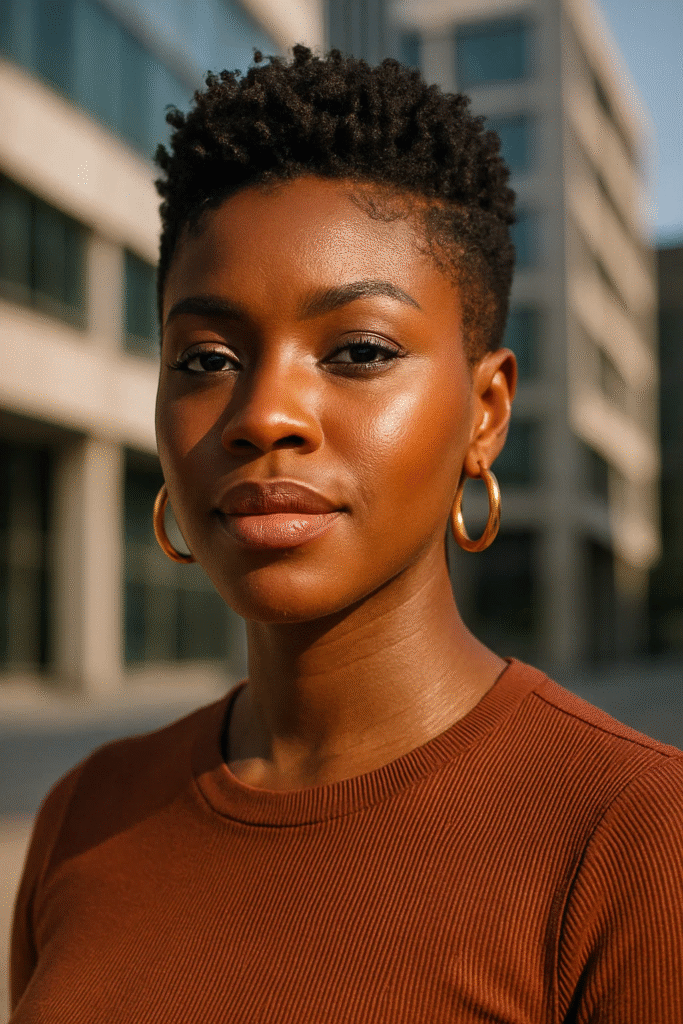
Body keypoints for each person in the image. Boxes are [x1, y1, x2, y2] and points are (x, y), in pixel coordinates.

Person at [9, 46, 683, 1024]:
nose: (263, 413)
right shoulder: (83, 814)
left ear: (485, 412)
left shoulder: (631, 837)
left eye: (357, 351)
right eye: (207, 357)